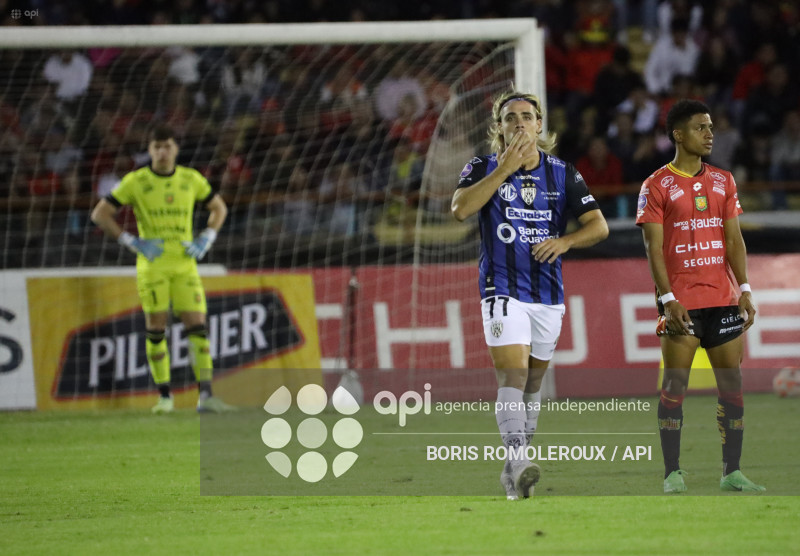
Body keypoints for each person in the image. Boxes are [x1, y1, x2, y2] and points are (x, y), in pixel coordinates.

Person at [451, 91, 609, 499]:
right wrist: (503, 169)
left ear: (540, 125)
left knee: (533, 385)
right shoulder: (482, 166)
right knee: (513, 374)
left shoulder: (563, 173)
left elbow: (599, 226)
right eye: (510, 118)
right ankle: (520, 460)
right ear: (499, 128)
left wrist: (566, 242)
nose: (519, 123)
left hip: (547, 293)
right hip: (501, 288)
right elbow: (461, 209)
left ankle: (511, 472)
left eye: (527, 116)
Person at [636, 99, 765, 493]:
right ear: (679, 134)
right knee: (675, 386)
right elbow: (653, 249)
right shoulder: (656, 184)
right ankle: (672, 472)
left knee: (732, 387)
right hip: (682, 305)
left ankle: (732, 472)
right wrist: (667, 298)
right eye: (701, 127)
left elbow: (733, 240)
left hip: (723, 300)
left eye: (711, 127)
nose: (710, 134)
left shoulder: (724, 180)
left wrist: (743, 288)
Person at [91, 125, 234, 414]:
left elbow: (219, 208)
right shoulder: (136, 181)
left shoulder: (191, 179)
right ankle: (165, 398)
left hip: (185, 264)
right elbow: (99, 214)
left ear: (176, 149)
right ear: (150, 150)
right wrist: (130, 240)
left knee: (198, 326)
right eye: (156, 147)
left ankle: (206, 396)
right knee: (157, 327)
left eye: (167, 146)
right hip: (153, 265)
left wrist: (208, 236)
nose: (162, 152)